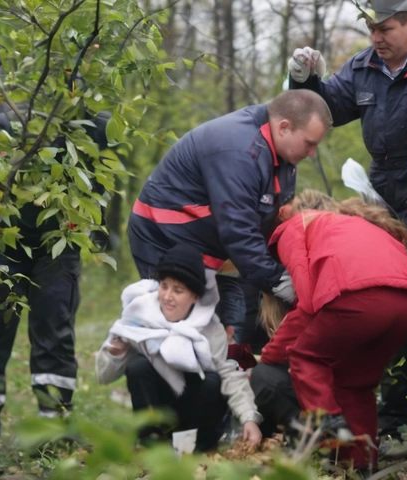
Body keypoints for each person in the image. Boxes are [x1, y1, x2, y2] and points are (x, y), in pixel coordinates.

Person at [286, 0, 407, 437]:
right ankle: (373, 398)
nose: (376, 39)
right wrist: (304, 80)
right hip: (382, 191)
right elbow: (323, 111)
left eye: (385, 30)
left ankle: (404, 412)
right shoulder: (363, 67)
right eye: (371, 30)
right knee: (376, 287)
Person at [0, 103, 112, 458]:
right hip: (2, 241)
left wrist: (92, 223)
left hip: (57, 244)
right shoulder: (2, 119)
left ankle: (54, 429)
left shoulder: (95, 124)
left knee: (54, 333)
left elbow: (102, 181)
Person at [127, 90, 333, 343]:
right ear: (284, 127)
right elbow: (239, 230)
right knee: (176, 325)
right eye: (309, 143)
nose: (312, 153)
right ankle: (158, 372)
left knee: (223, 323)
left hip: (209, 244)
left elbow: (271, 220)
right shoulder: (241, 151)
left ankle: (218, 371)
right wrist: (279, 281)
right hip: (163, 234)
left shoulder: (282, 153)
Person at [250, 189, 407, 469]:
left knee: (305, 357)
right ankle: (359, 466)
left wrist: (271, 356)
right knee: (354, 385)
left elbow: (307, 304)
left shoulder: (291, 230)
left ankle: (327, 419)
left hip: (362, 296)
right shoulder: (351, 225)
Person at [95, 244, 263, 451]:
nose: (167, 296)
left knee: (213, 380)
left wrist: (249, 418)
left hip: (197, 409)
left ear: (194, 297)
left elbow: (234, 374)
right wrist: (115, 353)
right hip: (159, 404)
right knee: (138, 367)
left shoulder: (212, 328)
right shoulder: (139, 316)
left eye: (178, 290)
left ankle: (196, 445)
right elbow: (103, 376)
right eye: (164, 286)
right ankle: (152, 442)